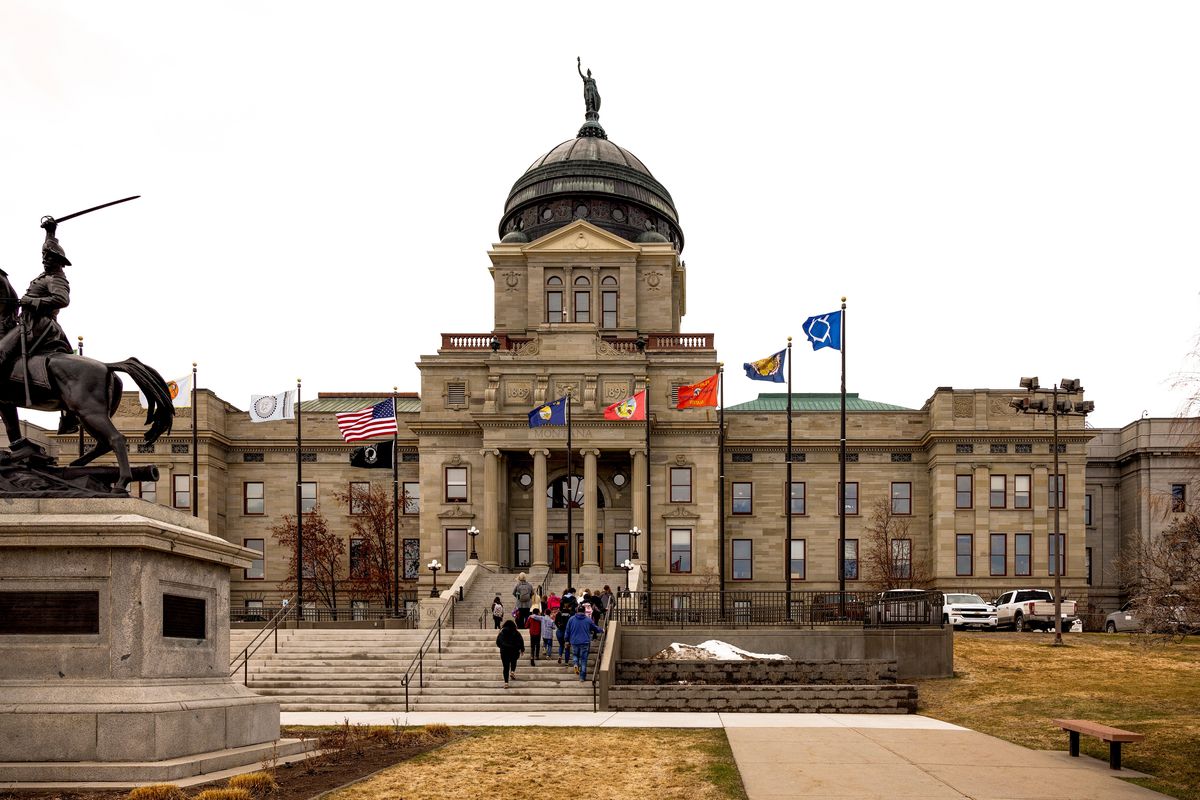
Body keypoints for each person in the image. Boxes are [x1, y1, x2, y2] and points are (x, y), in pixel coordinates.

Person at [0, 217, 78, 434]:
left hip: (39, 326)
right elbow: (48, 245)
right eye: (44, 256)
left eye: (49, 257)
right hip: (27, 322)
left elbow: (62, 300)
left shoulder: (57, 278)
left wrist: (32, 301)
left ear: (58, 261)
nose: (45, 259)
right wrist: (50, 232)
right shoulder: (45, 275)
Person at [565, 605, 604, 680]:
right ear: (584, 611)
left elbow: (567, 630)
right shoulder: (588, 620)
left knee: (575, 655)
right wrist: (602, 630)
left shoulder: (571, 619)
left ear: (577, 611)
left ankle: (576, 664)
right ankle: (582, 677)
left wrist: (566, 640)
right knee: (583, 659)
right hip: (585, 641)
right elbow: (595, 628)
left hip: (574, 641)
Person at [495, 619, 524, 688]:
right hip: (514, 650)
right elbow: (520, 641)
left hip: (504, 651)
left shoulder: (502, 632)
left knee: (506, 667)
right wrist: (522, 649)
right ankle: (512, 672)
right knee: (514, 661)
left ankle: (506, 683)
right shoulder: (516, 632)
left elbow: (498, 642)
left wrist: (502, 647)